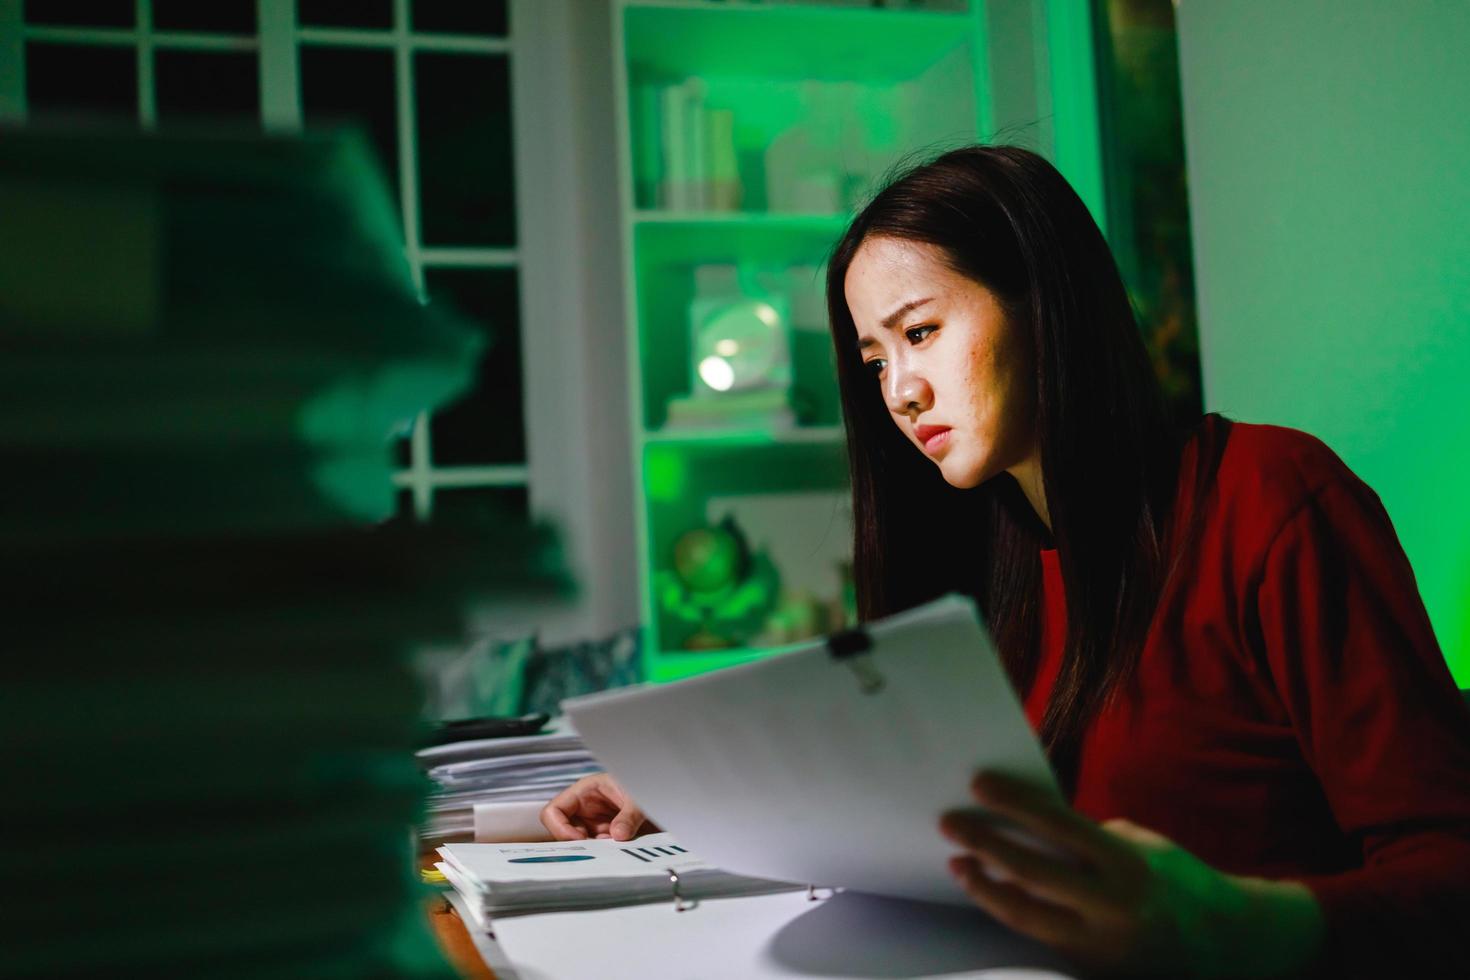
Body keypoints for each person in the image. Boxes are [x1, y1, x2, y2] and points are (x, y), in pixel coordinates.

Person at [540, 146, 1470, 977]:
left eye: (919, 332)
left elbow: (1450, 869)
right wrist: (699, 788)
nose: (898, 392)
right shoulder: (977, 557)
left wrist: (1248, 926)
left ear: (1043, 298)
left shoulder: (1269, 497)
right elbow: (913, 805)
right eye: (872, 361)